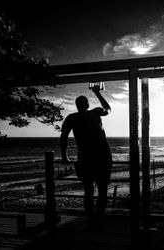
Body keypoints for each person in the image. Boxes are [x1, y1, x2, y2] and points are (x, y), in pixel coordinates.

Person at [60, 86, 112, 231]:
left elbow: (63, 136)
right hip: (103, 158)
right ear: (88, 105)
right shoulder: (96, 112)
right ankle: (98, 220)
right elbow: (108, 109)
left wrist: (65, 156)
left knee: (88, 192)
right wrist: (97, 92)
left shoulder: (71, 117)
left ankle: (90, 221)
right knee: (102, 192)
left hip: (85, 159)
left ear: (77, 106)